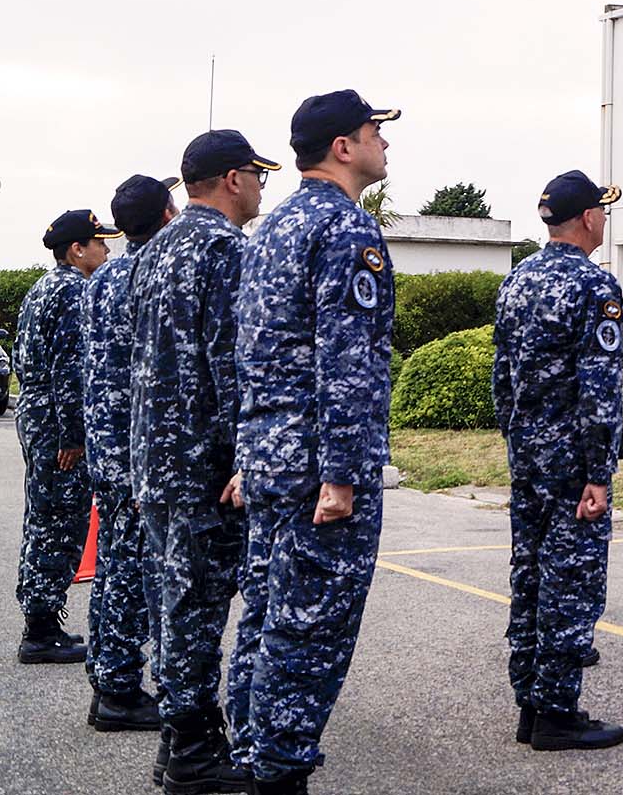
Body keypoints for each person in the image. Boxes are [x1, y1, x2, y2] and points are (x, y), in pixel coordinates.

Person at [233, 91, 399, 795]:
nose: (383, 144)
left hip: (270, 454)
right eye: (374, 133)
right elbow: (346, 359)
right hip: (315, 466)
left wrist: (247, 457)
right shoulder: (344, 229)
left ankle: (251, 752)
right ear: (342, 146)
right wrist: (341, 474)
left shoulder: (272, 227)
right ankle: (279, 772)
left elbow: (250, 350)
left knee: (268, 614)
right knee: (312, 628)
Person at [132, 130, 279, 795]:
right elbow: (233, 364)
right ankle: (192, 754)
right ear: (230, 178)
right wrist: (249, 459)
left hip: (157, 463)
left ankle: (178, 744)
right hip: (204, 466)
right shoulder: (227, 251)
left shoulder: (152, 251)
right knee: (196, 611)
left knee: (175, 605)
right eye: (256, 175)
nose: (259, 188)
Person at [493, 170, 623, 752]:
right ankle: (555, 714)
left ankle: (530, 703)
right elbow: (600, 390)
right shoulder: (596, 287)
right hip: (573, 462)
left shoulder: (519, 280)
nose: (605, 218)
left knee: (530, 575)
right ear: (589, 218)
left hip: (528, 457)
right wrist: (599, 472)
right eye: (602, 210)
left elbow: (501, 378)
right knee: (572, 583)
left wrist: (519, 441)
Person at [80, 175, 179, 737]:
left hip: (108, 441)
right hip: (140, 449)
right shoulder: (153, 275)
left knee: (117, 567)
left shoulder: (104, 278)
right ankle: (119, 690)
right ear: (167, 216)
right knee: (136, 573)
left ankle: (109, 682)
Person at [14, 208, 123, 665]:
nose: (106, 249)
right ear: (77, 249)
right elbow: (71, 371)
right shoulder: (74, 290)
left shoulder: (43, 288)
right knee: (61, 521)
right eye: (99, 242)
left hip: (37, 416)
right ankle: (39, 630)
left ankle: (38, 618)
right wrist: (75, 437)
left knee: (43, 515)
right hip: (59, 423)